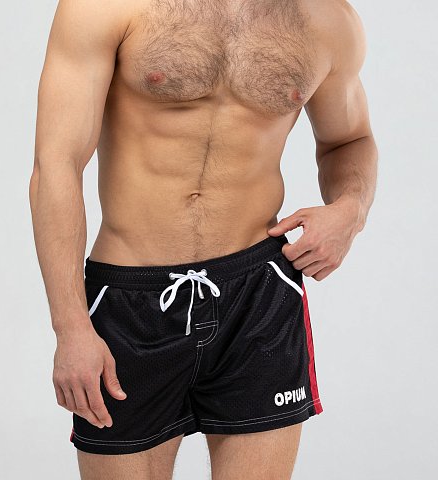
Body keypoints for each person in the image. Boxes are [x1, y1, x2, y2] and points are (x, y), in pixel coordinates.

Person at [29, 0, 377, 478]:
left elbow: (350, 140)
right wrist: (70, 328)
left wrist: (350, 209)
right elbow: (56, 164)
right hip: (132, 302)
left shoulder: (327, 18)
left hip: (258, 295)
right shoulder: (105, 6)